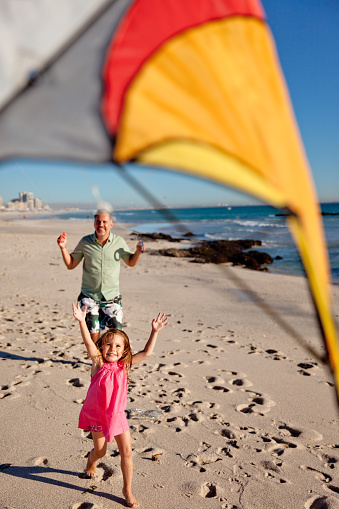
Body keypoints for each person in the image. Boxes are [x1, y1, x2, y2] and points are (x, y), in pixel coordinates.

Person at [72, 302, 168, 508]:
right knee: (101, 452)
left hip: (118, 417)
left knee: (127, 452)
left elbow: (147, 353)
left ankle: (127, 490)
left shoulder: (124, 365)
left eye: (117, 346)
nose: (112, 349)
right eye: (108, 344)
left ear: (124, 351)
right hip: (98, 417)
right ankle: (91, 461)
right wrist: (82, 322)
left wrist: (154, 331)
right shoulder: (98, 363)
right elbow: (89, 344)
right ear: (102, 347)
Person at [57, 209, 144, 342]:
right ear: (94, 224)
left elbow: (131, 262)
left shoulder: (119, 242)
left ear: (111, 224)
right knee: (94, 338)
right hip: (89, 297)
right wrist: (63, 247)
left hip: (112, 297)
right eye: (98, 221)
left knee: (116, 336)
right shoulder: (85, 242)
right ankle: (97, 362)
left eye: (104, 222)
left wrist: (137, 252)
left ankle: (108, 362)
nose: (101, 224)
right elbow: (71, 265)